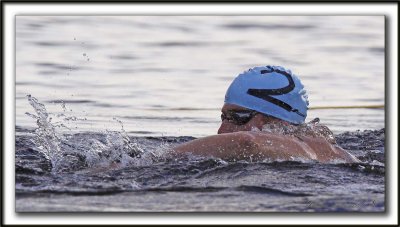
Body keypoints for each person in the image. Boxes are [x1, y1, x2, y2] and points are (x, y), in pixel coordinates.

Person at [173, 65, 359, 163]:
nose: (222, 130)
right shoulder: (327, 151)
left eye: (238, 117)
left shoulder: (302, 147)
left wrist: (159, 158)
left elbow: (247, 141)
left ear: (276, 121)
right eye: (224, 117)